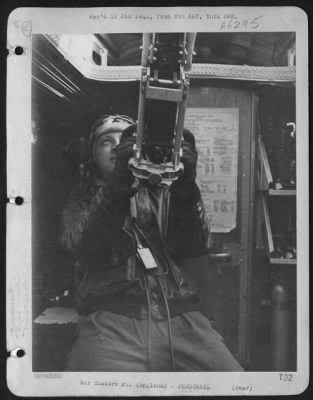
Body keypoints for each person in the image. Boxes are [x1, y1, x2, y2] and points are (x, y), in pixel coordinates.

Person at [60, 114, 243, 372]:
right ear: (93, 155)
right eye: (105, 142)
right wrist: (118, 186)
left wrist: (186, 186)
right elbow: (83, 247)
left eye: (125, 140)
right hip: (113, 321)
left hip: (181, 317)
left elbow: (197, 245)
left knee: (236, 382)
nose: (115, 147)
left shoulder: (165, 192)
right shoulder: (81, 202)